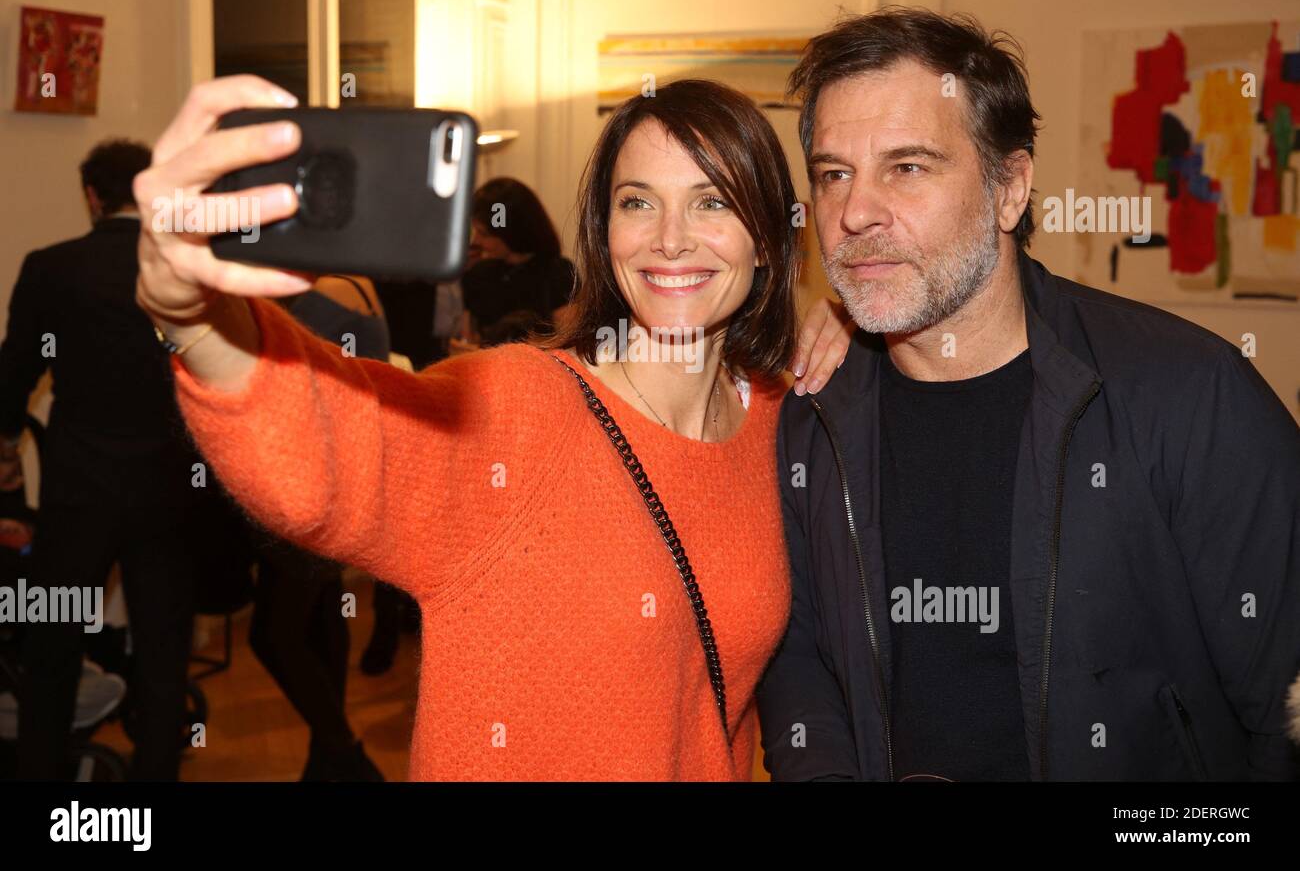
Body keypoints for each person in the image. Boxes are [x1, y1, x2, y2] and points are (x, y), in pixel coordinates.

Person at [132, 75, 851, 780]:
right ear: (604, 233)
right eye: (638, 202)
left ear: (767, 240)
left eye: (712, 202)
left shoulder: (781, 423)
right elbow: (325, 455)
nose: (669, 238)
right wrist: (193, 315)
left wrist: (855, 335)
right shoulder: (517, 407)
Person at [756, 7, 1300, 782]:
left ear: (1010, 190)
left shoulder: (1192, 397)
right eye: (833, 172)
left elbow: (1282, 710)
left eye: (907, 167)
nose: (854, 212)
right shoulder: (812, 413)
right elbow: (802, 661)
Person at [0, 139, 201, 780]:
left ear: (92, 195)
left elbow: (14, 379)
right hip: (169, 487)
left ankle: (43, 782)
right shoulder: (190, 270)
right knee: (164, 651)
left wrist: (6, 438)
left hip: (79, 490)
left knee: (53, 644)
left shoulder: (51, 268)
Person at [248, 273, 389, 780]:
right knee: (322, 613)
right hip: (345, 474)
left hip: (310, 481)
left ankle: (346, 754)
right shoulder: (358, 283)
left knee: (274, 633)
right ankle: (325, 758)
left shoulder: (296, 291)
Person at [461, 177, 576, 342]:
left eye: (484, 234)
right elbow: (469, 338)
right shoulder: (478, 273)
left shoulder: (558, 274)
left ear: (511, 233)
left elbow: (569, 341)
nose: (476, 241)